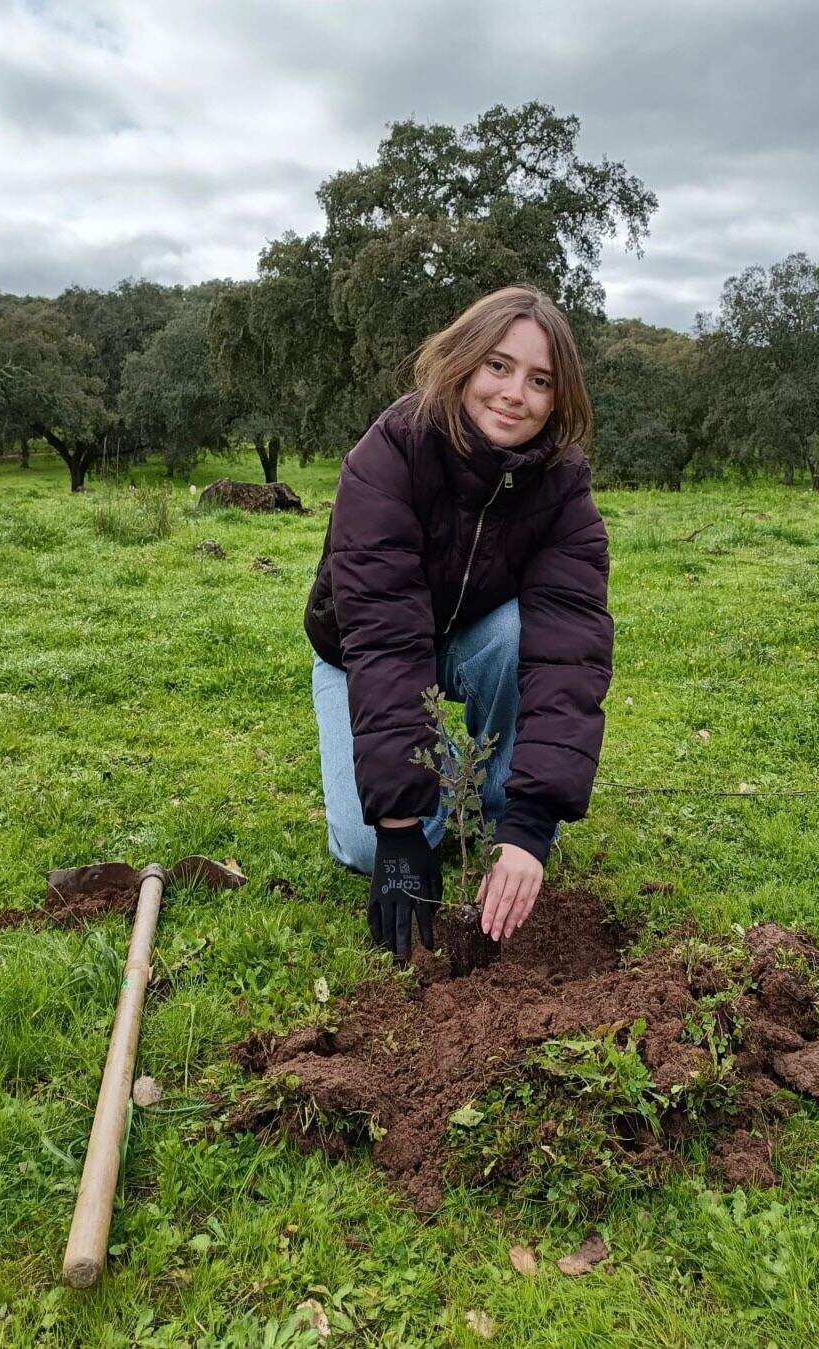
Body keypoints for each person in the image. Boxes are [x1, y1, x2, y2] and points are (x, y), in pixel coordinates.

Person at [304, 284, 614, 961]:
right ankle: (433, 788)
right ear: (465, 361)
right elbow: (385, 638)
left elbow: (569, 652)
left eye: (540, 381)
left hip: (476, 639)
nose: (514, 394)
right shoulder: (392, 450)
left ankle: (504, 812)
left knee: (520, 631)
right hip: (357, 651)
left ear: (558, 398)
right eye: (498, 366)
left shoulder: (562, 485)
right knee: (363, 846)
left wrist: (532, 826)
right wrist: (398, 827)